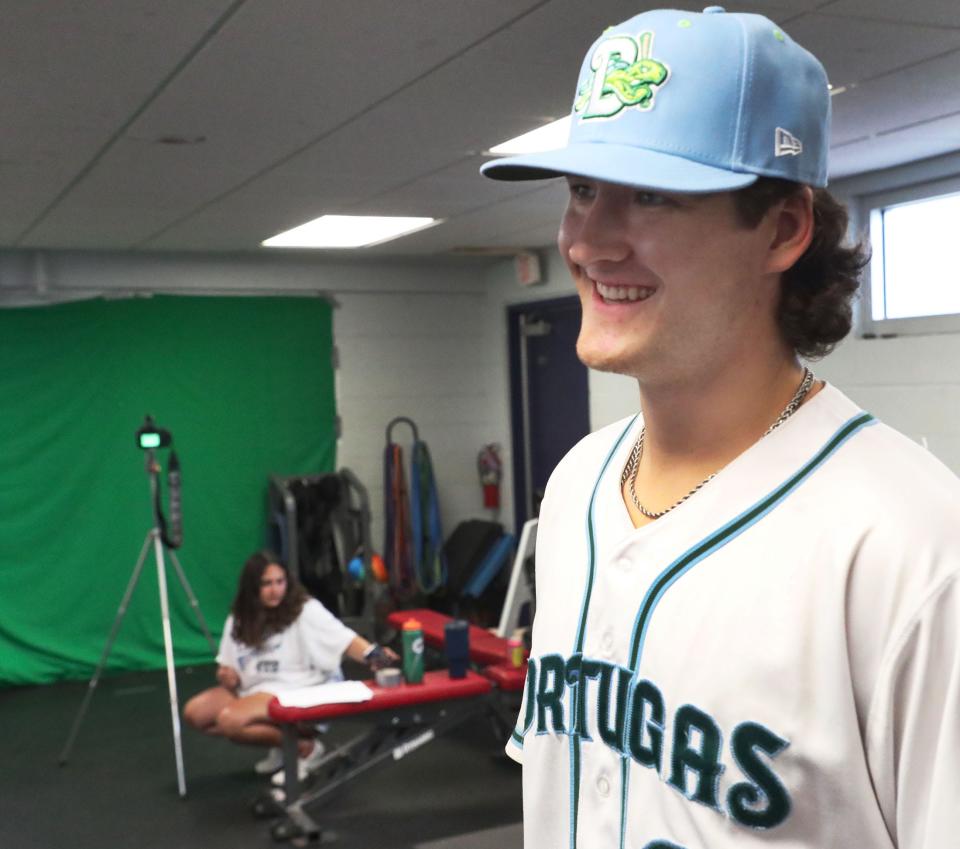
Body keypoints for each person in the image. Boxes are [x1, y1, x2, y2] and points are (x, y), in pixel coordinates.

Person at [481, 6, 960, 849]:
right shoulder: (573, 487)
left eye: (652, 196)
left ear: (781, 229)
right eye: (583, 191)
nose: (588, 241)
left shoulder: (913, 544)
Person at [183, 550, 396, 781]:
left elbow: (344, 639)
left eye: (280, 582)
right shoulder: (240, 617)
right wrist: (226, 676)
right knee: (195, 714)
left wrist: (378, 657)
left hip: (300, 689)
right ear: (252, 587)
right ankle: (284, 746)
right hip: (255, 689)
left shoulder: (305, 610)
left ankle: (305, 749)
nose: (275, 590)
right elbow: (227, 670)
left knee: (230, 721)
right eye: (266, 584)